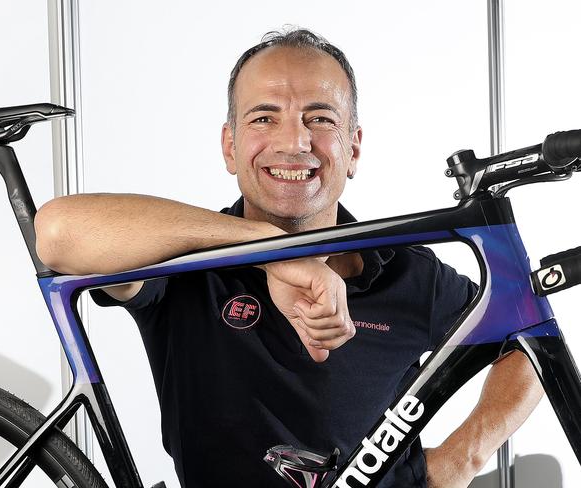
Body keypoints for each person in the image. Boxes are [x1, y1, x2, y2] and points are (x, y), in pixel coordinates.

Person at [35, 28, 544, 488]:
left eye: (319, 118)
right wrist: (268, 249)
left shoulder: (411, 273)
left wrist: (465, 456)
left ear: (354, 149)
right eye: (264, 118)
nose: (294, 141)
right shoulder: (183, 263)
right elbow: (58, 233)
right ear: (230, 147)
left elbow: (525, 341)